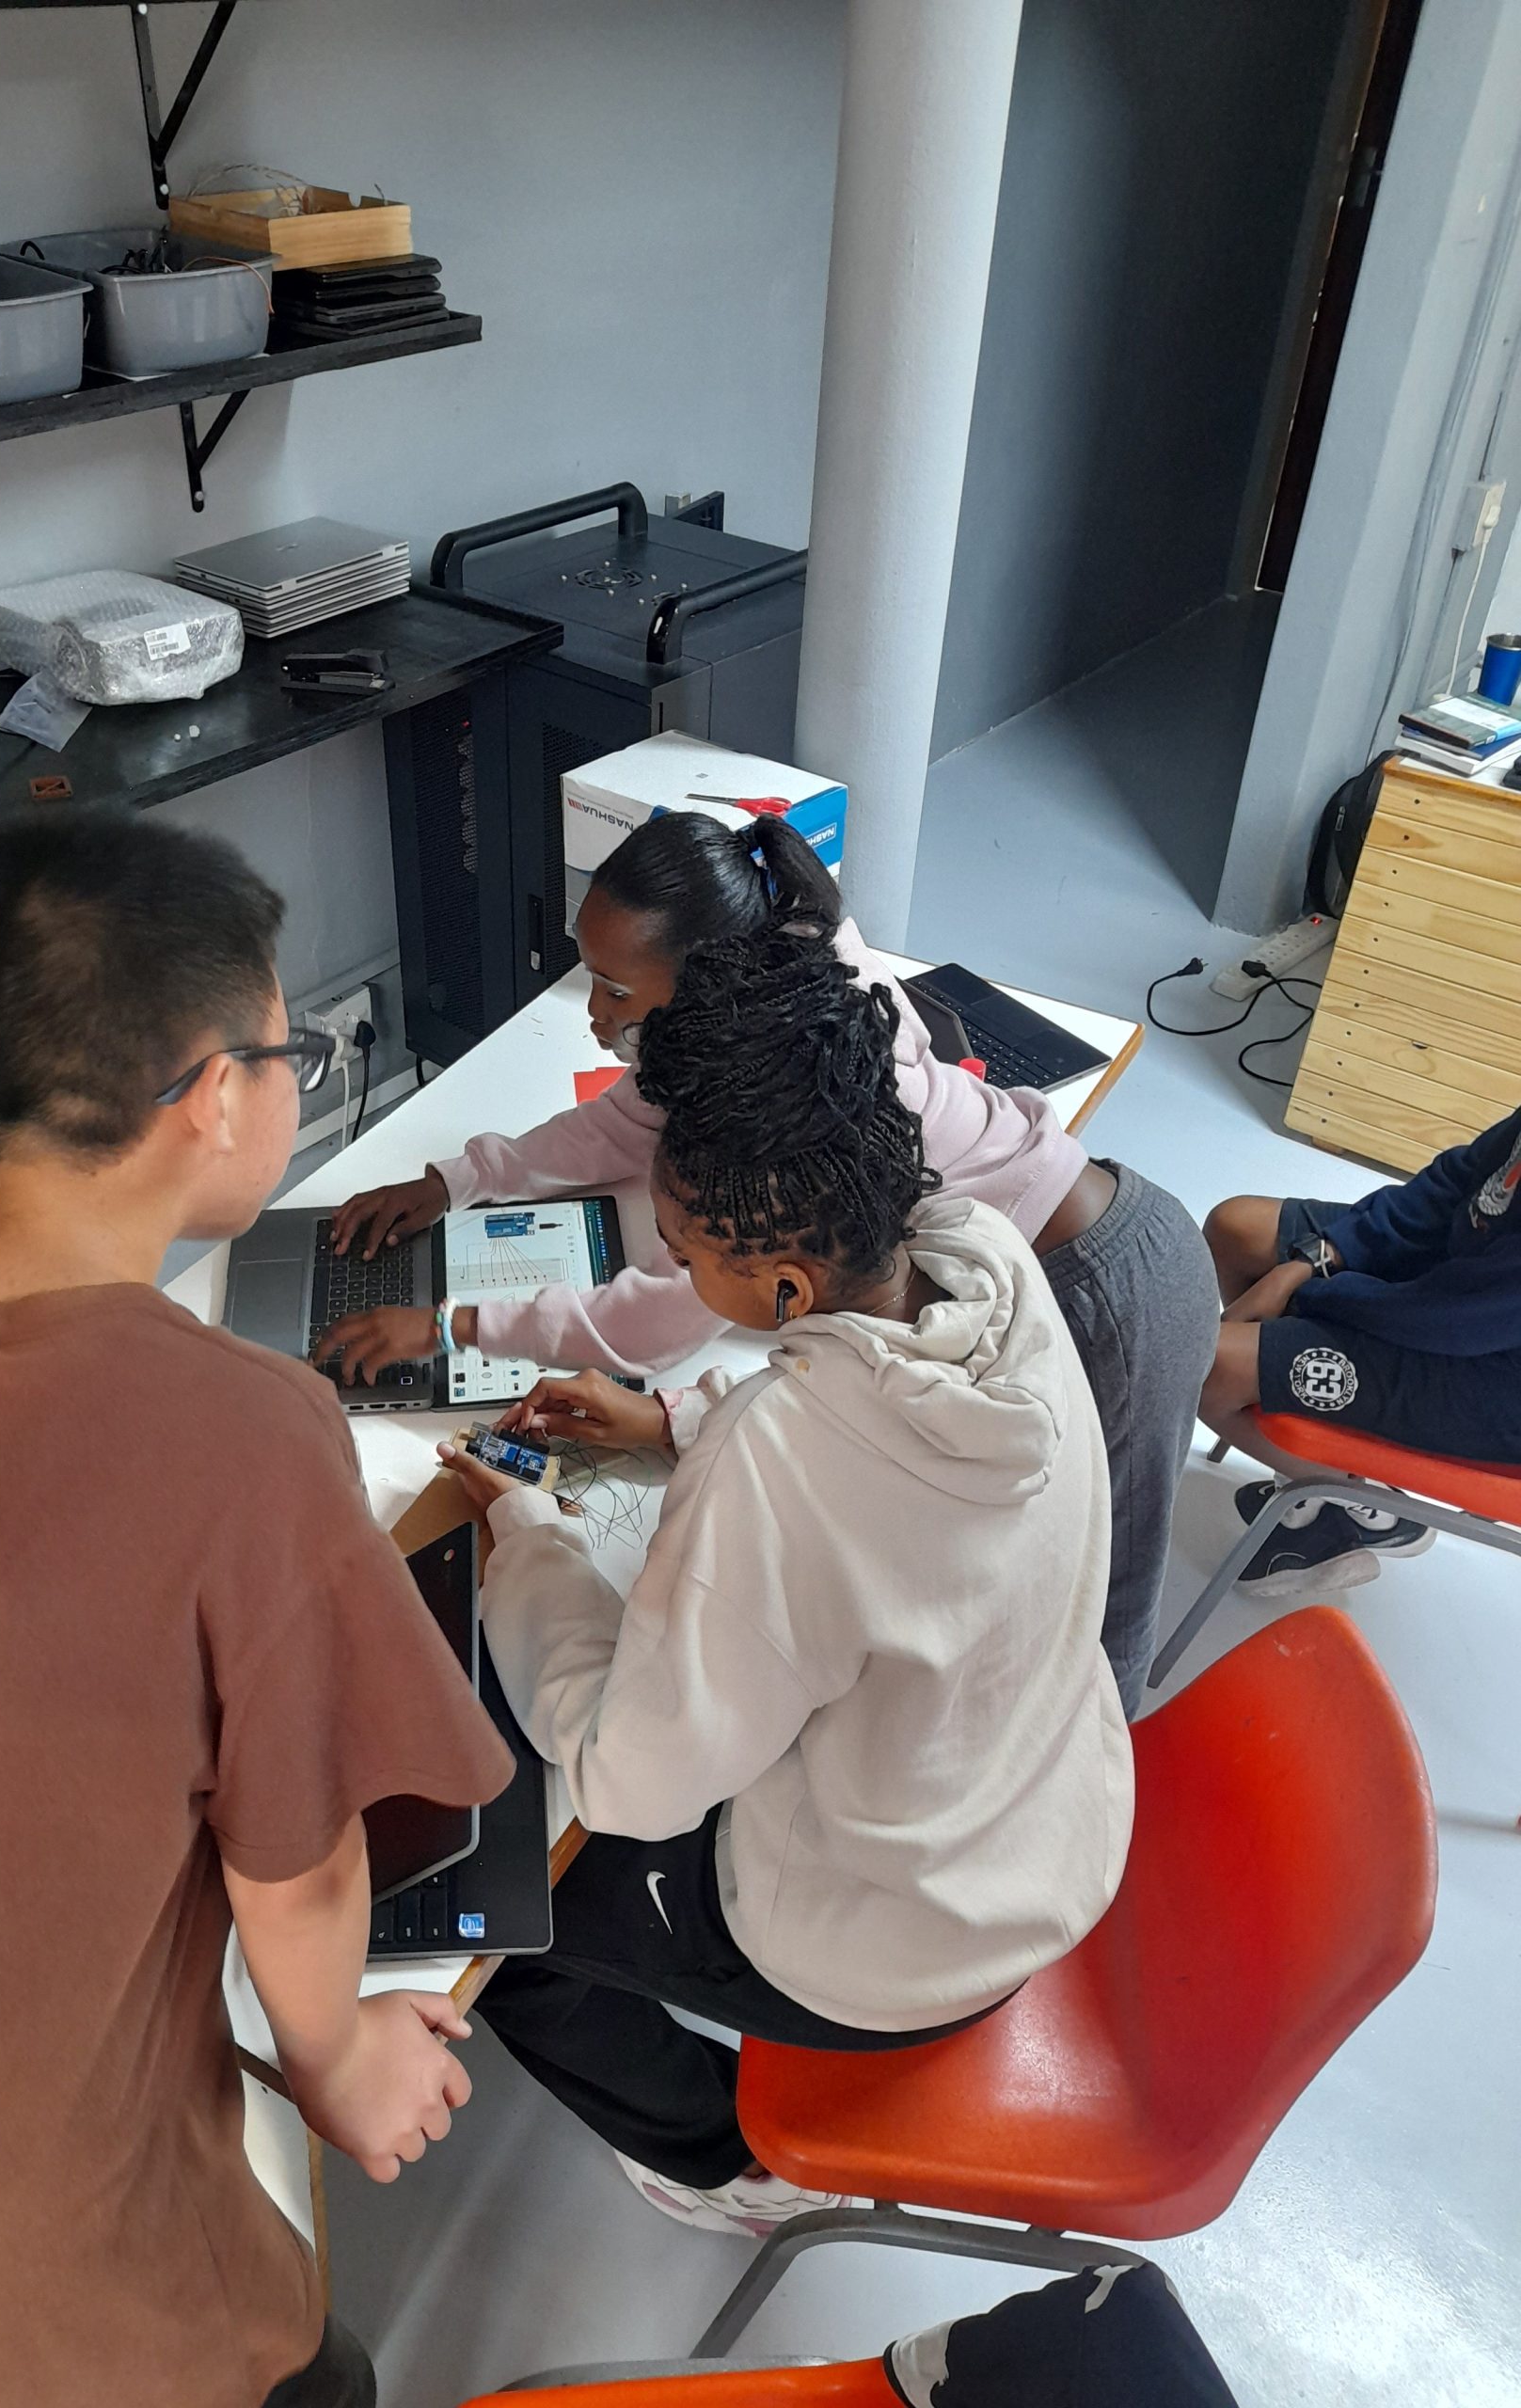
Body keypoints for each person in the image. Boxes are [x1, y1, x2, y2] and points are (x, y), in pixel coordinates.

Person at [0, 815, 513, 2408]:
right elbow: (300, 1875)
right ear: (214, 1096)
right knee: (320, 2376)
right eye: (291, 1054)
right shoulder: (249, 1433)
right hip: (43, 2313)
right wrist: (343, 2064)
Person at [437, 930, 1133, 2235]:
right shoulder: (985, 1254)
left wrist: (531, 1543)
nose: (676, 1272)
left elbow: (630, 1779)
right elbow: (870, 1450)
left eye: (686, 1254)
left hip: (892, 1949)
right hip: (1038, 1824)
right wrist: (673, 1421)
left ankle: (726, 2164)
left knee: (492, 1919)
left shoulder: (777, 1462)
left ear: (786, 1285)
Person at [323, 811, 1214, 1713]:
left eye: (616, 990)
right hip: (1081, 1233)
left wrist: (454, 1324)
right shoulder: (770, 998)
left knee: (1089, 1636)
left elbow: (660, 1321)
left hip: (1104, 1293)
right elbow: (626, 1120)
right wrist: (461, 1178)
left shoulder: (790, 1103)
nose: (593, 1014)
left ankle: (1103, 1776)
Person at [1202, 1103, 1521, 1592]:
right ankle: (1323, 1473)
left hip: (1493, 1381)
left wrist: (1309, 1294)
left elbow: (1454, 1320)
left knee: (1208, 1365)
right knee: (1235, 1228)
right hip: (1467, 1292)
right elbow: (1459, 1179)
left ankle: (1364, 1504)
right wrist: (1318, 1257)